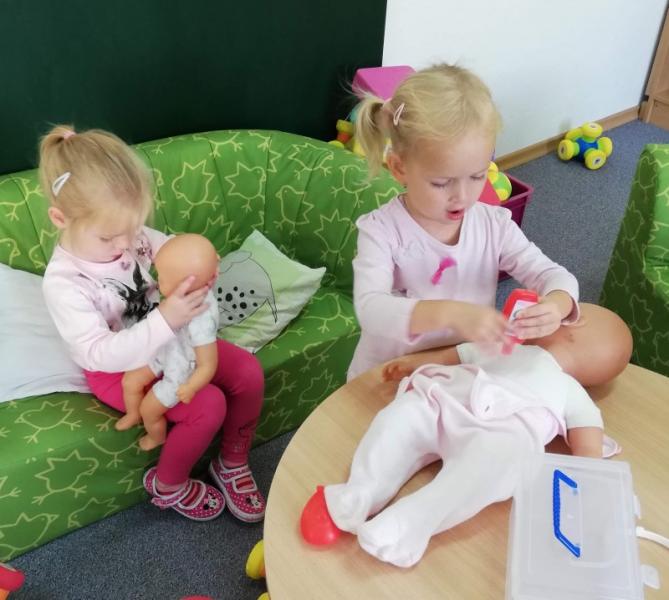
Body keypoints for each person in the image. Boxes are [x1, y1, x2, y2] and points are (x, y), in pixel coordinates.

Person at [347, 64, 632, 386]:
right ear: (399, 168)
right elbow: (371, 310)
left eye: (477, 176)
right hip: (387, 375)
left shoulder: (494, 224)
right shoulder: (381, 231)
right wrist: (450, 313)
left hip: (460, 371)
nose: (462, 196)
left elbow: (552, 274)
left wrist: (557, 303)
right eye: (441, 182)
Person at [40, 125, 266, 523]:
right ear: (60, 218)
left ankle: (231, 460)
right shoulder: (64, 283)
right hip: (117, 367)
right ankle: (168, 484)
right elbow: (97, 353)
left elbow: (171, 250)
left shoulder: (132, 234)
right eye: (110, 238)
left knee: (247, 371)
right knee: (207, 405)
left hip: (171, 339)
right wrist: (165, 319)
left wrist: (198, 265)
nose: (125, 245)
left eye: (133, 230)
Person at [301, 341, 615, 567]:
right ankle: (358, 493)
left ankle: (409, 523)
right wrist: (417, 363)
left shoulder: (570, 389)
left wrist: (585, 491)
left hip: (502, 434)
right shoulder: (510, 345)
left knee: (489, 470)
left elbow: (588, 448)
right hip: (445, 401)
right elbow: (460, 354)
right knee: (401, 419)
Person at [118, 234, 220, 453]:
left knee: (149, 410)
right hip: (165, 348)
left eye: (162, 278)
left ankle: (157, 437)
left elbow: (208, 364)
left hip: (181, 369)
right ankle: (133, 414)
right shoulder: (190, 289)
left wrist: (191, 386)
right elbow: (183, 252)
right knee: (130, 381)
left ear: (185, 284)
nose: (157, 281)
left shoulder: (201, 319)